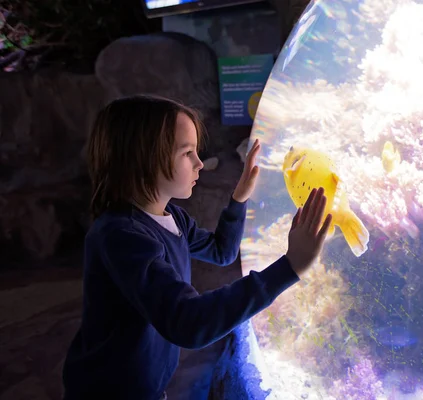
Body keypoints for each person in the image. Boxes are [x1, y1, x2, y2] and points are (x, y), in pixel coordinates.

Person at [61, 94, 333, 400]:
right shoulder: (121, 236)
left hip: (144, 387)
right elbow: (187, 322)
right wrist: (288, 267)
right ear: (145, 158)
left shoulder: (170, 216)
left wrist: (239, 198)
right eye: (187, 152)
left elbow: (222, 251)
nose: (199, 163)